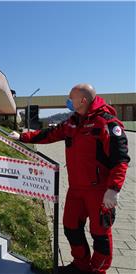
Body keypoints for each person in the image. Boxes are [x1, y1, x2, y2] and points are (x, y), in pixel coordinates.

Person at [9, 84, 130, 274]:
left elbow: (120, 159)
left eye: (70, 97)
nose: (67, 101)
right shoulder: (72, 122)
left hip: (100, 191)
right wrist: (23, 137)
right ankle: (80, 265)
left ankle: (97, 270)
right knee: (71, 227)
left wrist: (113, 189)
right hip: (75, 189)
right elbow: (49, 134)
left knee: (100, 235)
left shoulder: (107, 123)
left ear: (83, 100)